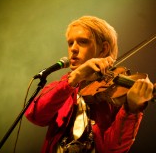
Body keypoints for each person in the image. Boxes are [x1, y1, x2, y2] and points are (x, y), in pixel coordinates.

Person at [25, 16, 153, 153]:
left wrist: (132, 108)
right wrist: (75, 78)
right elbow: (36, 116)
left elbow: (114, 148)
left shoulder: (116, 95)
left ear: (103, 49)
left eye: (82, 42)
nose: (73, 49)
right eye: (70, 43)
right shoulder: (62, 86)